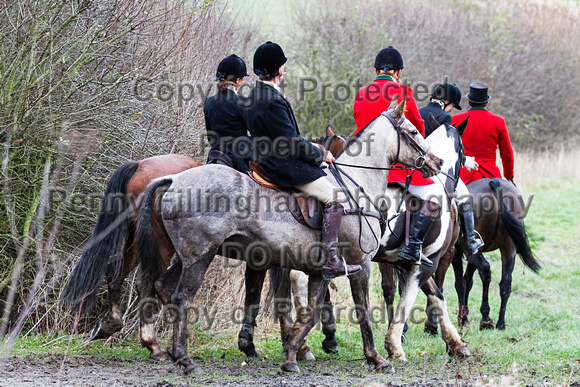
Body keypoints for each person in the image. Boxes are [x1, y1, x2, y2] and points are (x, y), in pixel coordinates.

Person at [244, 41, 361, 279]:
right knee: (336, 197)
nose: (284, 69)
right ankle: (331, 261)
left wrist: (313, 145)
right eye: (283, 65)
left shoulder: (252, 95)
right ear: (278, 70)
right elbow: (290, 142)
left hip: (262, 160)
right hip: (281, 165)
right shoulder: (273, 100)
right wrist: (321, 154)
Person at [353, 46, 441, 267]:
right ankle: (412, 246)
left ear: (375, 70)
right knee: (434, 195)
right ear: (398, 72)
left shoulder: (361, 93)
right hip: (397, 168)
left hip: (363, 166)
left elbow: (360, 126)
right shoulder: (402, 92)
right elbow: (418, 127)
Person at [420, 83, 484, 255]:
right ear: (446, 101)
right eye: (452, 106)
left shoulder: (418, 112)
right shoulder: (444, 118)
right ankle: (471, 241)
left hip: (414, 169)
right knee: (464, 197)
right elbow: (444, 152)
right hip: (435, 171)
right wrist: (463, 160)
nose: (451, 111)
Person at [451, 82, 515, 185]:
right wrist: (509, 176)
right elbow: (507, 153)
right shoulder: (498, 121)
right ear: (487, 103)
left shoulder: (455, 120)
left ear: (468, 102)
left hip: (464, 174)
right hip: (490, 173)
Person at [204, 54, 251, 172]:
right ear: (238, 80)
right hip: (238, 160)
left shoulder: (208, 102)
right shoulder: (243, 103)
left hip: (214, 155)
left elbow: (211, 137)